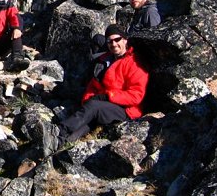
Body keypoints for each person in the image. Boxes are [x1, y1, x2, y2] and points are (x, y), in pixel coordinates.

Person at [39, 24, 149, 157]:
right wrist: (88, 99)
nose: (113, 44)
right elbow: (93, 84)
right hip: (104, 105)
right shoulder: (105, 60)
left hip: (126, 110)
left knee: (93, 107)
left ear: (125, 40)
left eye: (117, 39)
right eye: (109, 41)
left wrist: (108, 96)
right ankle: (56, 145)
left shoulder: (134, 63)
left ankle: (58, 131)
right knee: (87, 118)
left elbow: (136, 96)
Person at [92, 0, 161, 54]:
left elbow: (155, 37)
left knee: (98, 41)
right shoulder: (139, 11)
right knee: (99, 38)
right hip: (128, 45)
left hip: (133, 52)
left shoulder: (150, 12)